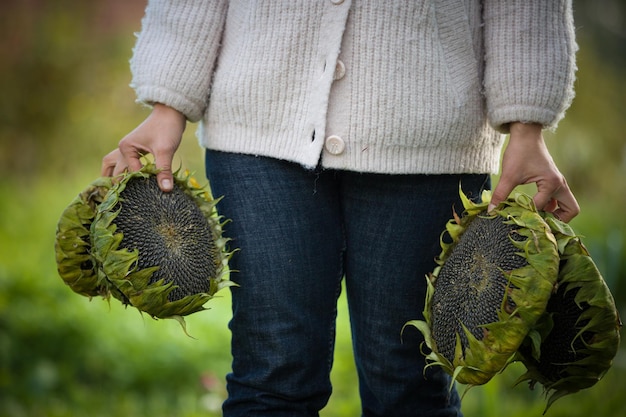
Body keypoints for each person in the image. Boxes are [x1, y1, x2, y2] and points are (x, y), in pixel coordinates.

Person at [102, 1, 580, 416]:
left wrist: (528, 122)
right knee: (272, 376)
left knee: (409, 384)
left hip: (430, 140)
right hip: (257, 128)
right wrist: (168, 103)